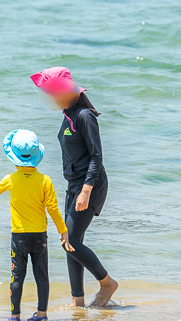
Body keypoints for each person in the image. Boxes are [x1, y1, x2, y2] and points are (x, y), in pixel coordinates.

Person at [30, 66, 119, 308]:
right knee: (71, 240)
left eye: (52, 92)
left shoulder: (83, 116)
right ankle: (77, 301)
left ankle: (107, 283)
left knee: (70, 241)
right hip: (74, 185)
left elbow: (96, 157)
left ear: (66, 92)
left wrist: (86, 191)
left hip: (90, 185)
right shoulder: (69, 115)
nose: (50, 98)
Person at [0, 129, 73, 321]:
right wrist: (63, 230)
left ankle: (15, 316)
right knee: (41, 275)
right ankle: (42, 314)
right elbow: (53, 209)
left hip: (19, 236)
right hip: (39, 236)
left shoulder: (11, 179)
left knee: (17, 276)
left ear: (14, 157)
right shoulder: (45, 181)